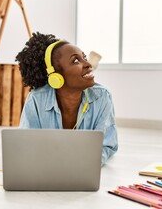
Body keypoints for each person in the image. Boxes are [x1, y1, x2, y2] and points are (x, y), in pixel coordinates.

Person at [15, 32, 118, 165]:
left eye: (84, 57)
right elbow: (27, 145)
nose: (88, 64)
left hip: (84, 168)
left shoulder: (102, 96)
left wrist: (87, 163)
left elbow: (107, 145)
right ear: (55, 77)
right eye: (76, 61)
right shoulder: (36, 100)